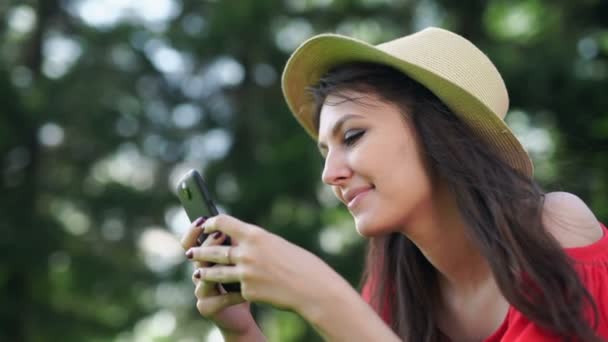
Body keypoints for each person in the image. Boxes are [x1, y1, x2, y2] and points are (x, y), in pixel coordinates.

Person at [180, 27, 608, 341]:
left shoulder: (551, 231)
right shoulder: (393, 287)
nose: (330, 174)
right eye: (325, 153)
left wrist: (320, 293)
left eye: (352, 137)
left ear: (439, 132)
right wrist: (240, 332)